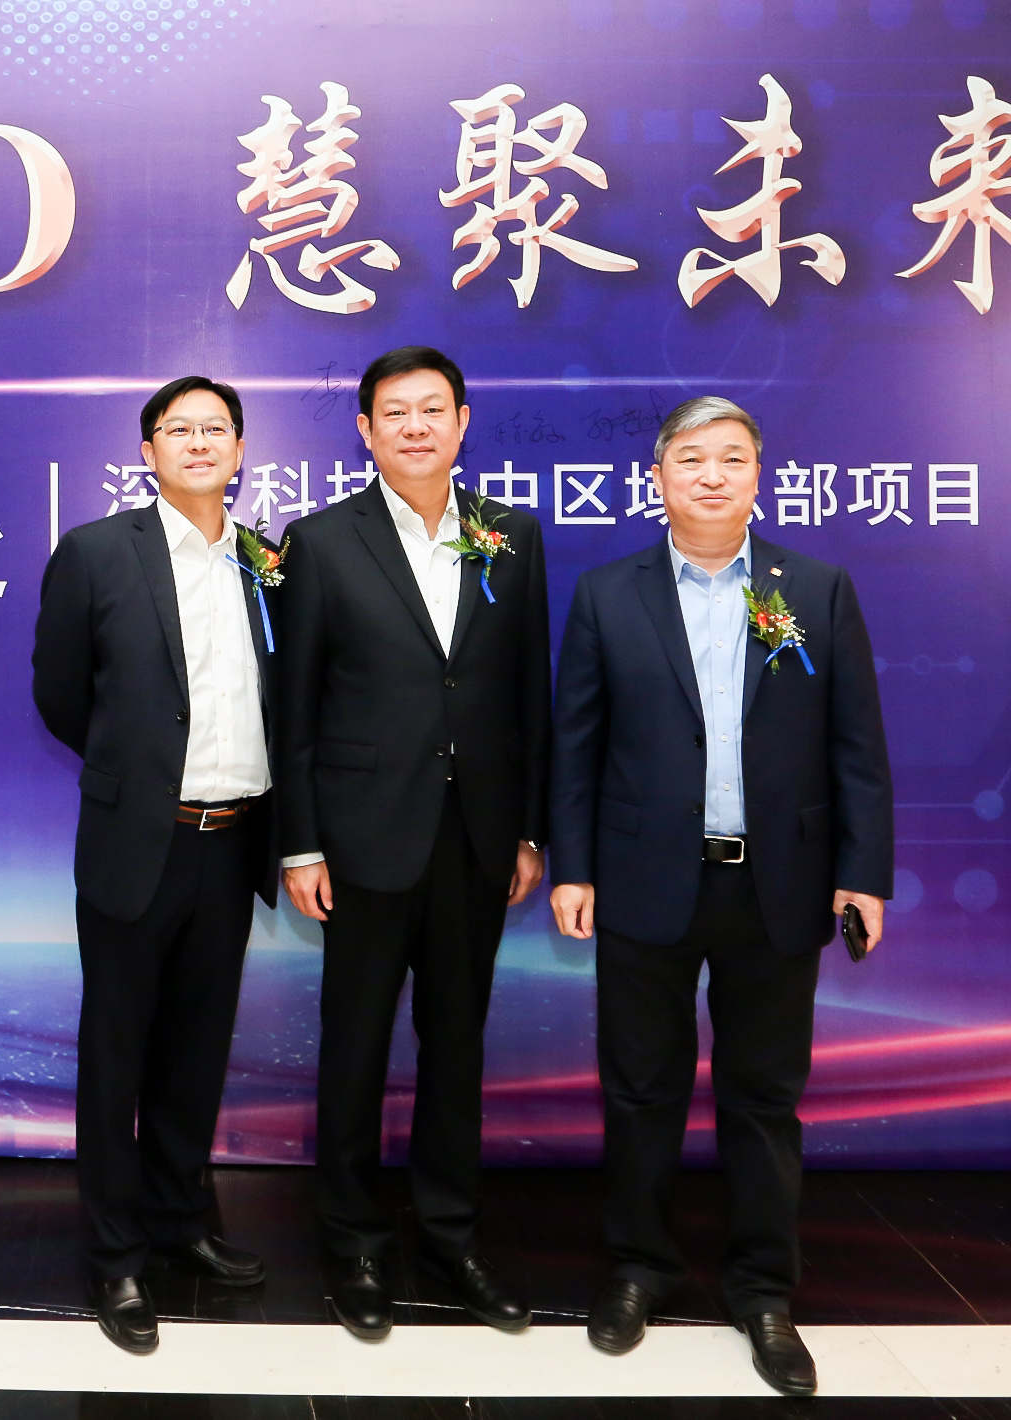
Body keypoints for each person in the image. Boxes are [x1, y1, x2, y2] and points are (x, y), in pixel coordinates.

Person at [548, 395, 894, 1398]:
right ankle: (636, 1268)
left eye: (731, 458)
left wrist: (862, 872)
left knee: (762, 1097)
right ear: (656, 478)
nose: (711, 475)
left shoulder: (815, 588)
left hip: (776, 882)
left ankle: (763, 1290)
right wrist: (572, 866)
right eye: (690, 458)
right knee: (639, 1087)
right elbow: (574, 745)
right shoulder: (607, 594)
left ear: (757, 476)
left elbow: (857, 745)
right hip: (644, 877)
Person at [277, 346, 551, 1341]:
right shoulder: (319, 541)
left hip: (475, 837)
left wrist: (527, 828)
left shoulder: (510, 536)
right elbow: (293, 707)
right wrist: (299, 844)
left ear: (463, 421)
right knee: (353, 1047)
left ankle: (449, 1235)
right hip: (361, 839)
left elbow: (526, 690)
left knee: (456, 1044)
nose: (415, 426)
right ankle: (351, 1242)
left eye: (432, 409)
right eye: (394, 412)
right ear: (364, 430)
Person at [31, 376, 279, 1355]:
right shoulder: (96, 552)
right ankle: (115, 1255)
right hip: (140, 840)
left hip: (234, 839)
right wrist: (133, 772)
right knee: (118, 1053)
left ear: (240, 449)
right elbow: (60, 693)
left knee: (195, 1050)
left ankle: (182, 1224)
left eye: (215, 428)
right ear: (148, 451)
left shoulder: (267, 560)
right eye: (179, 429)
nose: (198, 442)